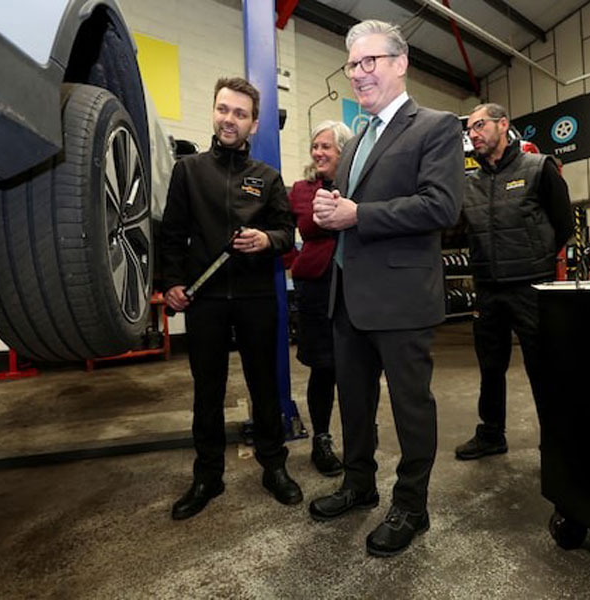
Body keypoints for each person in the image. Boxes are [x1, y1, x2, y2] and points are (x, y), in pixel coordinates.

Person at [308, 20, 464, 557]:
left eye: (370, 61)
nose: (359, 73)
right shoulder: (356, 142)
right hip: (347, 295)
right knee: (353, 401)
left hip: (401, 298)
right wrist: (332, 211)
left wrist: (358, 213)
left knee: (409, 407)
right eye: (352, 64)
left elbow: (442, 206)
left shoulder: (436, 127)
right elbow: (351, 210)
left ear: (401, 64)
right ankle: (358, 483)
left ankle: (411, 506)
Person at [160, 77, 302, 521]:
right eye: (224, 109)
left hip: (257, 296)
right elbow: (171, 235)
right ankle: (207, 476)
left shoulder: (268, 178)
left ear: (254, 124)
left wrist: (266, 238)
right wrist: (172, 282)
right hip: (206, 299)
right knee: (208, 391)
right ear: (214, 111)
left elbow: (288, 234)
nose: (230, 119)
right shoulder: (189, 171)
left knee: (265, 387)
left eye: (240, 114)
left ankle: (274, 467)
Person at [454, 103, 573, 461]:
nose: (473, 134)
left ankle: (555, 441)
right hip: (488, 289)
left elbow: (564, 225)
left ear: (503, 124)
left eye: (479, 126)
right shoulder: (468, 184)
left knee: (542, 367)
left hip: (531, 287)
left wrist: (537, 263)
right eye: (470, 129)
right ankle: (491, 434)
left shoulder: (538, 168)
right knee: (491, 366)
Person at [288, 120, 353, 477]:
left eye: (326, 146)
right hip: (317, 285)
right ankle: (322, 440)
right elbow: (294, 229)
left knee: (359, 366)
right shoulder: (301, 188)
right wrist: (295, 262)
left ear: (343, 151)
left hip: (356, 283)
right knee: (324, 367)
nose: (318, 153)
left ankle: (361, 434)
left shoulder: (359, 183)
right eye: (315, 146)